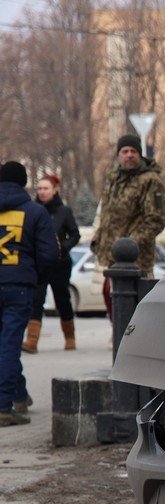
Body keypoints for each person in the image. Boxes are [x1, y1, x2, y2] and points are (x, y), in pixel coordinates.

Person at [0, 161, 58, 426]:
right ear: (24, 183)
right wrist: (35, 279)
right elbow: (49, 255)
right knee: (10, 345)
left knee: (5, 345)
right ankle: (4, 406)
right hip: (18, 286)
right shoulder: (34, 212)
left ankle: (19, 395)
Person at [91, 133, 165, 316]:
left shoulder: (150, 181)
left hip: (136, 258)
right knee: (110, 297)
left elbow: (155, 221)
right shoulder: (113, 179)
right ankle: (118, 336)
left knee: (136, 305)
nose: (129, 155)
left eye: (133, 151)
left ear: (140, 154)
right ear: (119, 155)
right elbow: (106, 213)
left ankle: (133, 340)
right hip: (111, 256)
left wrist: (129, 245)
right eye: (125, 151)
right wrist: (98, 240)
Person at [23, 175, 80, 353]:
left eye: (45, 188)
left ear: (54, 190)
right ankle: (32, 340)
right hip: (38, 263)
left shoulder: (63, 211)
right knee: (36, 299)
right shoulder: (32, 210)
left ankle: (70, 337)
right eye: (39, 188)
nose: (41, 192)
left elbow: (75, 235)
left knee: (62, 299)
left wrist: (63, 248)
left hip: (59, 264)